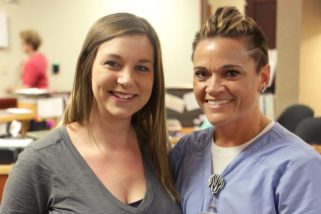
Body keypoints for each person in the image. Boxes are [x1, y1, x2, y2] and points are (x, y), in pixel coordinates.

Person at [1, 13, 181, 214]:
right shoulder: (38, 162)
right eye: (113, 63)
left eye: (142, 68)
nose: (127, 79)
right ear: (87, 66)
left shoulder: (159, 150)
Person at [171, 6, 321, 214]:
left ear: (264, 77)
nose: (213, 88)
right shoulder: (185, 152)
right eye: (202, 74)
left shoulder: (298, 167)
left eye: (231, 73)